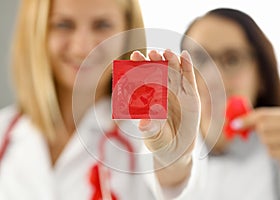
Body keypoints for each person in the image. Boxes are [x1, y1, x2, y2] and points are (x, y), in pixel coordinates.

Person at [0, 0, 204, 199]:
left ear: (127, 31)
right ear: (36, 31)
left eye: (102, 25)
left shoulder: (149, 130)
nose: (83, 47)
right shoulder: (4, 129)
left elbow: (173, 182)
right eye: (63, 24)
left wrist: (174, 159)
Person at [181, 8, 280, 200]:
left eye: (232, 59)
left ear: (261, 77)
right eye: (199, 58)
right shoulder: (153, 157)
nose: (213, 78)